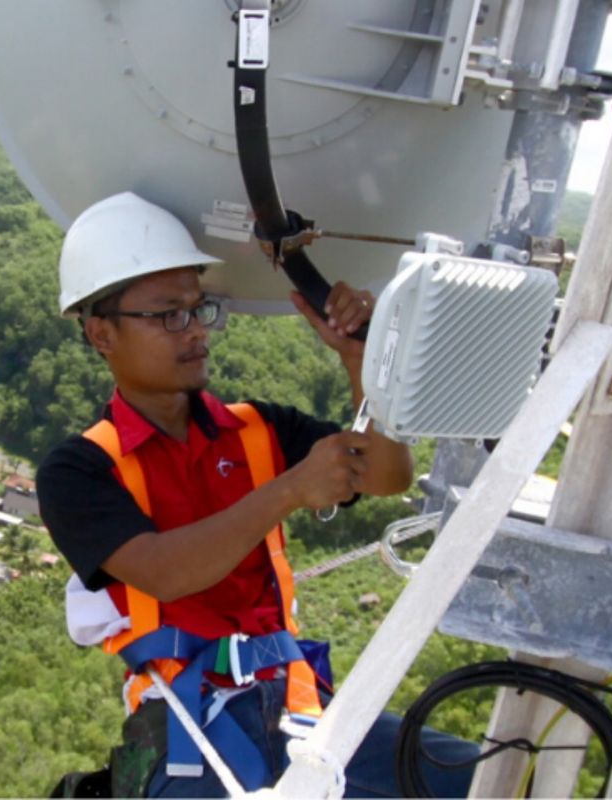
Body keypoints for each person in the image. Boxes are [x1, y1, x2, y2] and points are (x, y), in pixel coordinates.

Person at [38, 192, 475, 798]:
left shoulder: (258, 429)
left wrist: (364, 366)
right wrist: (289, 489)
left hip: (298, 705)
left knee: (491, 780)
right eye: (168, 315)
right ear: (101, 334)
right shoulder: (80, 470)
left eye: (199, 310)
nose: (194, 332)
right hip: (190, 727)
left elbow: (385, 475)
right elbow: (163, 573)